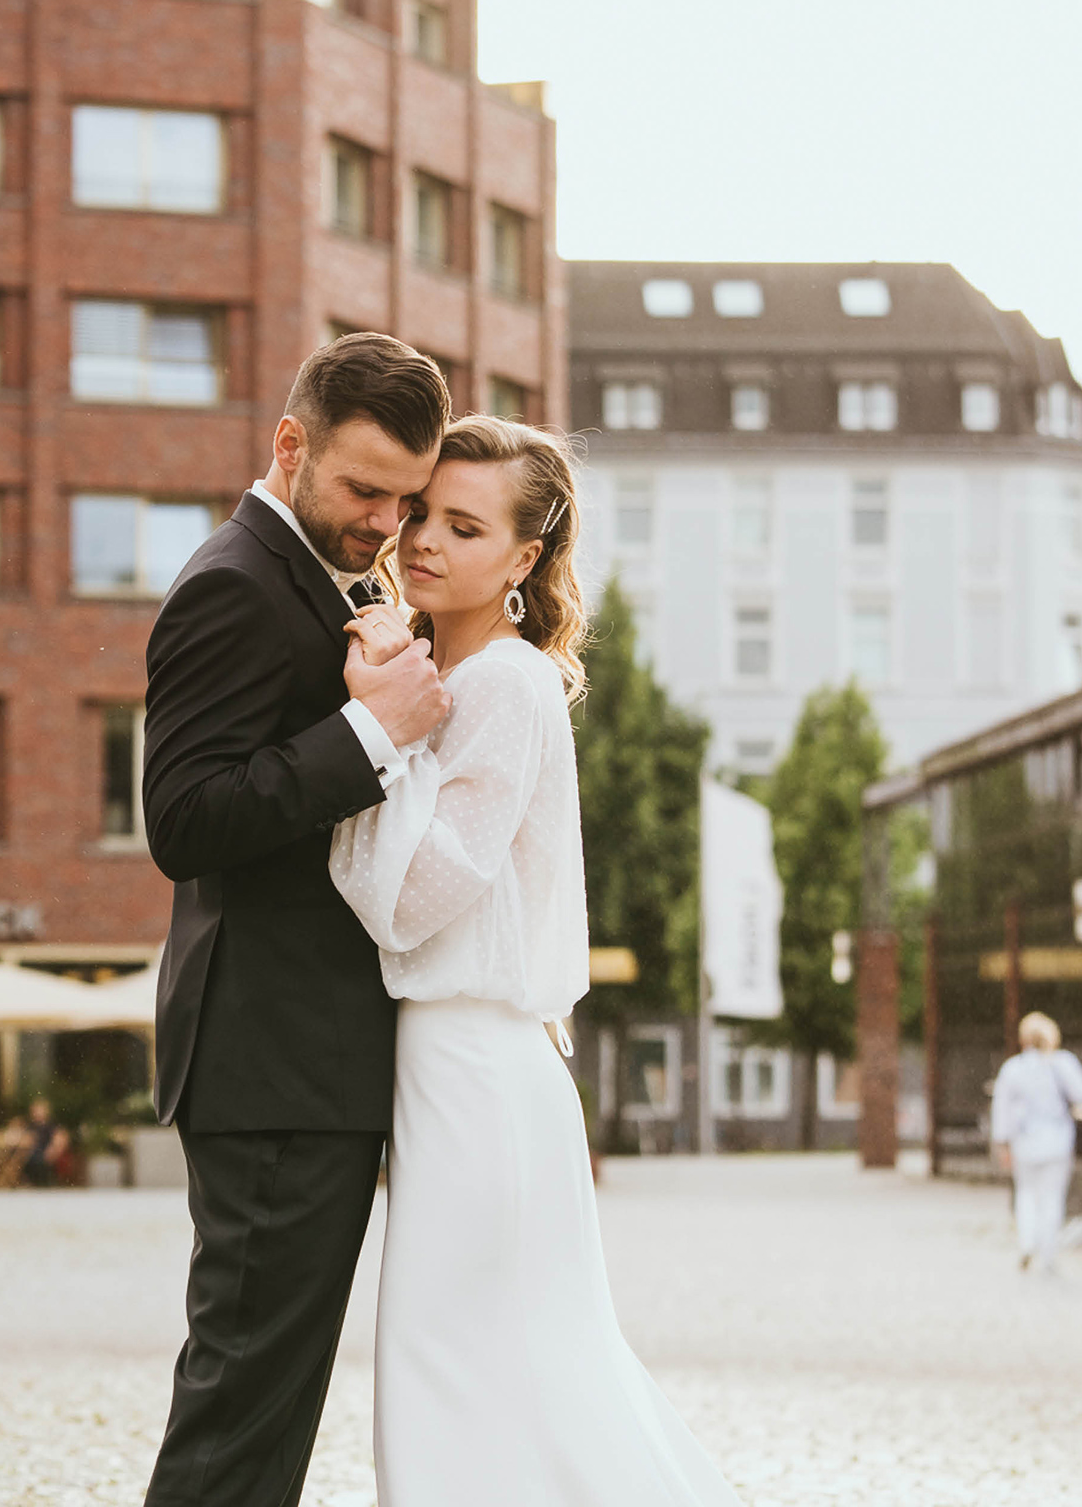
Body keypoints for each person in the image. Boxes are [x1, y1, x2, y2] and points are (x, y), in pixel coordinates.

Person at [329, 414, 742, 1506]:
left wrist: (378, 737)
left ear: (522, 560)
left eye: (464, 528)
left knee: (464, 1373)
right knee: (492, 1373)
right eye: (420, 513)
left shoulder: (501, 686)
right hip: (457, 1073)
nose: (423, 542)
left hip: (478, 1072)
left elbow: (414, 902)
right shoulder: (448, 674)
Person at [139, 332, 452, 1506]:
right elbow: (183, 820)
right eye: (366, 490)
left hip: (304, 1070)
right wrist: (373, 737)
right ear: (290, 444)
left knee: (265, 1415)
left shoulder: (326, 579)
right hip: (270, 1070)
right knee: (240, 1417)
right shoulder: (233, 583)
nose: (387, 523)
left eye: (407, 500)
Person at [991, 1010, 1082, 1273]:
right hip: (1057, 1140)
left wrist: (1002, 1143)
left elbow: (1001, 1108)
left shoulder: (1013, 1068)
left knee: (1026, 1194)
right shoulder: (1062, 1063)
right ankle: (1048, 1253)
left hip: (1024, 1141)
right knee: (1052, 1197)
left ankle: (1027, 1242)